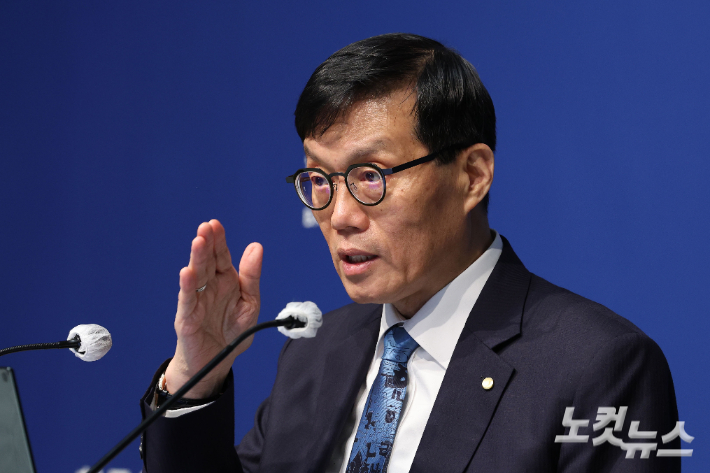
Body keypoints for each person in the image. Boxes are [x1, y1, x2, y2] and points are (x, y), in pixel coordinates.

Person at [139, 33, 680, 472]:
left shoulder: (598, 366)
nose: (340, 215)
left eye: (370, 175)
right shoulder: (314, 356)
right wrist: (197, 375)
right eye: (320, 179)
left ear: (472, 175)